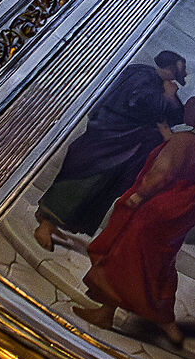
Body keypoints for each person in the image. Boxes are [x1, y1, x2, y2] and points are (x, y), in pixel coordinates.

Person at [71, 95, 195, 349]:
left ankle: (111, 313)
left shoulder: (183, 141)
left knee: (126, 257)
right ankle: (161, 321)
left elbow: (163, 172)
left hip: (157, 210)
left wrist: (139, 195)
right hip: (184, 214)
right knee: (160, 263)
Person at [35, 51, 187, 250]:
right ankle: (45, 225)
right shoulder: (140, 75)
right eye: (179, 70)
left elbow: (178, 116)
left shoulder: (155, 81)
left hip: (124, 146)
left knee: (100, 187)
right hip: (108, 138)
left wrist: (171, 99)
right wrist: (165, 98)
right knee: (83, 181)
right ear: (170, 68)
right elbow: (139, 105)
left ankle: (59, 224)